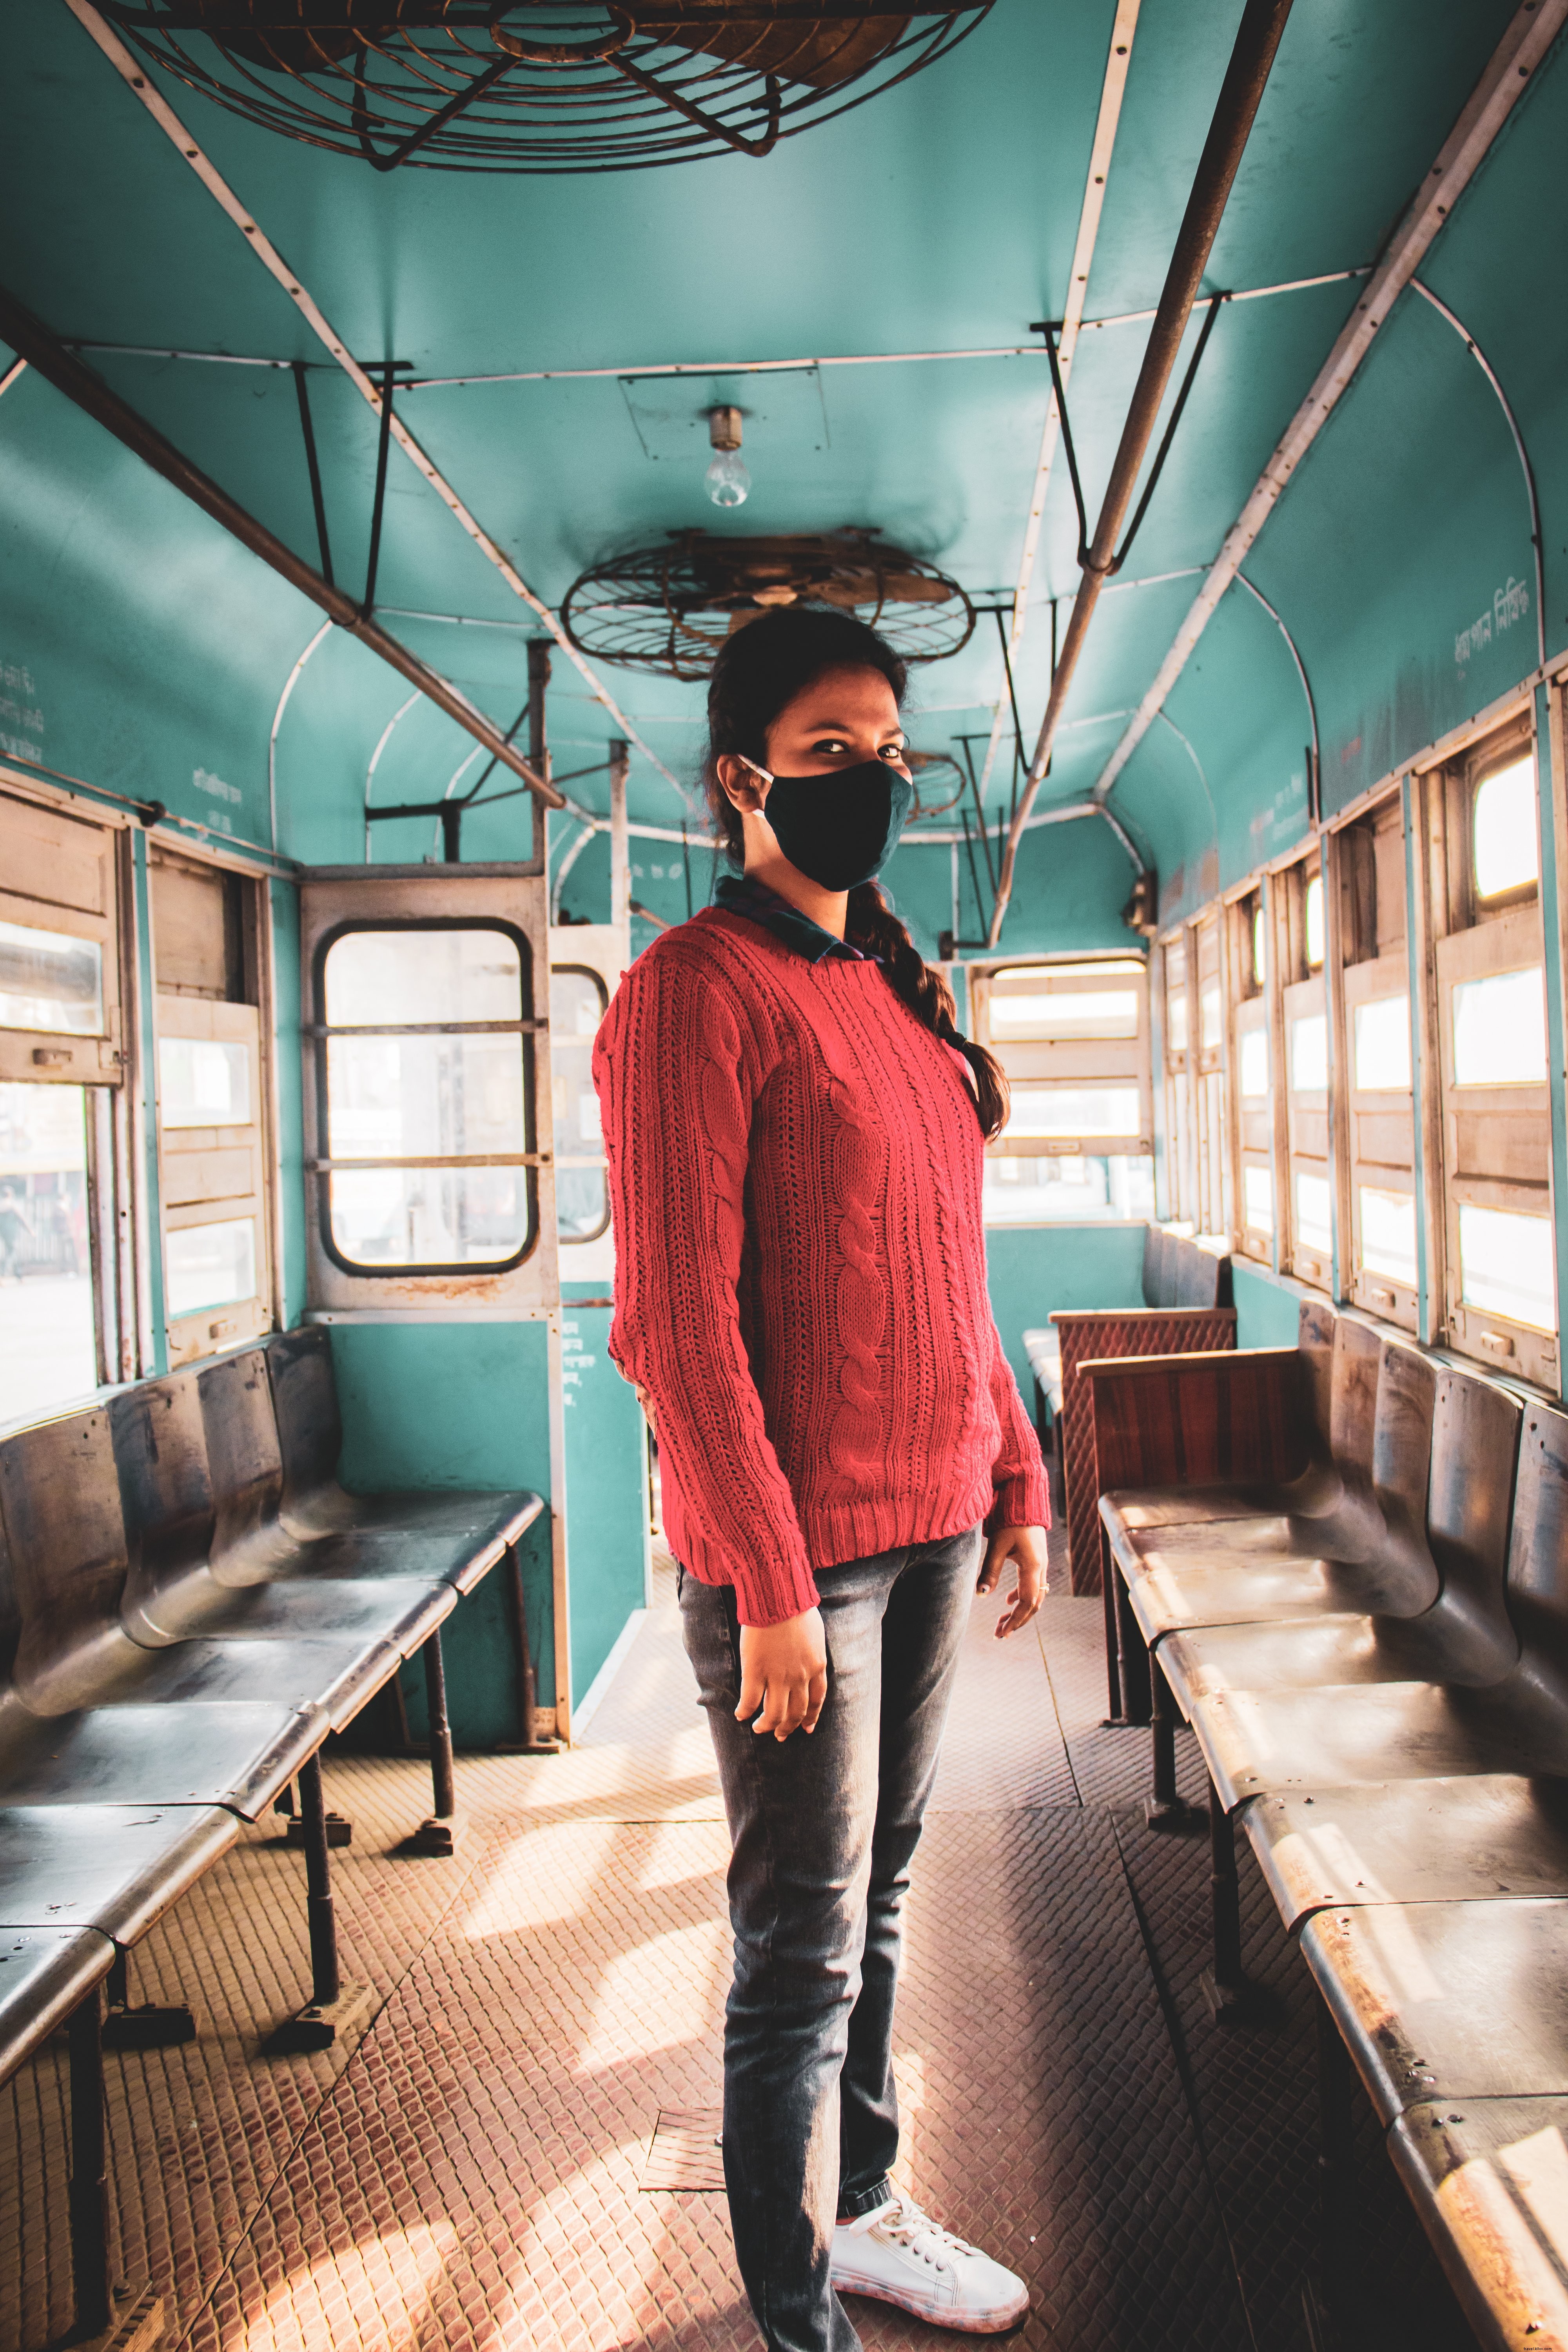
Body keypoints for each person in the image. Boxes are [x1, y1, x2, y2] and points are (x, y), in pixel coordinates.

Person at [593, 607, 1051, 2352]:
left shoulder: (886, 991)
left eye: (888, 750)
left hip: (934, 1519)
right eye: (829, 749)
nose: (872, 778)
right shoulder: (685, 999)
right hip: (806, 1564)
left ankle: (859, 2214)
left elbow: (948, 1274)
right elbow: (675, 1330)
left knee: (881, 1897)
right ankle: (796, 2317)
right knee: (799, 1956)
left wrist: (1012, 1473)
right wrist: (770, 1584)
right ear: (742, 779)